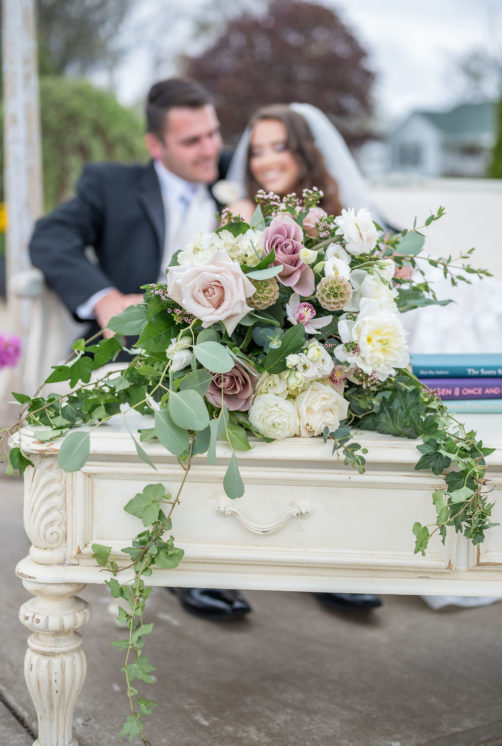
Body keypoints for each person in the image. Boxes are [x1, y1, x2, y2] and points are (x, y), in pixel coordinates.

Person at [29, 76, 251, 621]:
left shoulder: (237, 176)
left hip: (228, 349)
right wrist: (104, 298)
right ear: (156, 145)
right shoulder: (109, 184)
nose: (210, 150)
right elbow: (48, 237)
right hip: (136, 348)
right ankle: (180, 566)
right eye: (191, 140)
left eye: (213, 133)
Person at [227, 103, 384, 612]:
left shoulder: (337, 217)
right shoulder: (238, 216)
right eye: (256, 151)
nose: (265, 161)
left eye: (279, 147)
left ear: (303, 152)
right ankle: (224, 561)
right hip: (254, 351)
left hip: (325, 351)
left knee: (333, 416)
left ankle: (327, 559)